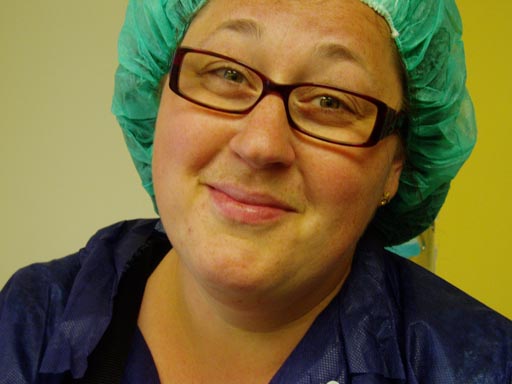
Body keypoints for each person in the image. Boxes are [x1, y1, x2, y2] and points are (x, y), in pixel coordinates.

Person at [1, 0, 511, 382]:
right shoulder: (30, 323)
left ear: (396, 165)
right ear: (157, 95)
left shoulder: (483, 365)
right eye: (226, 72)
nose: (261, 144)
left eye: (332, 101)